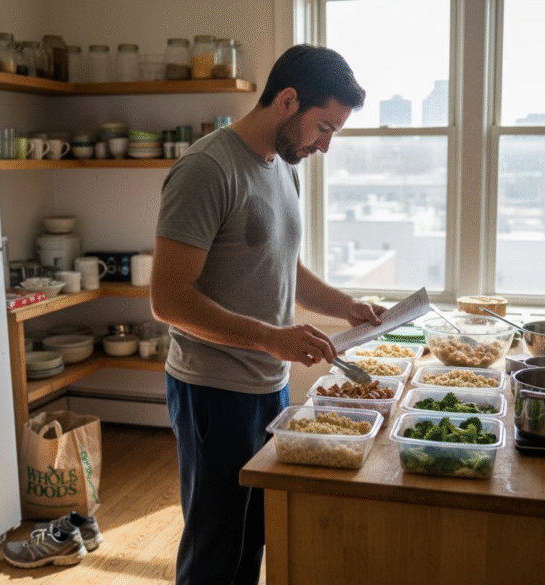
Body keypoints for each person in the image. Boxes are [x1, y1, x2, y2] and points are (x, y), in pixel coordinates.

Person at [151, 44, 384, 585]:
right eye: (323, 127)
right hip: (212, 390)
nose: (325, 145)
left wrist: (348, 308)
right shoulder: (206, 169)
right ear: (286, 101)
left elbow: (283, 265)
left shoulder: (284, 168)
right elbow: (168, 299)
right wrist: (272, 339)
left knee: (255, 535)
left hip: (267, 385)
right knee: (216, 544)